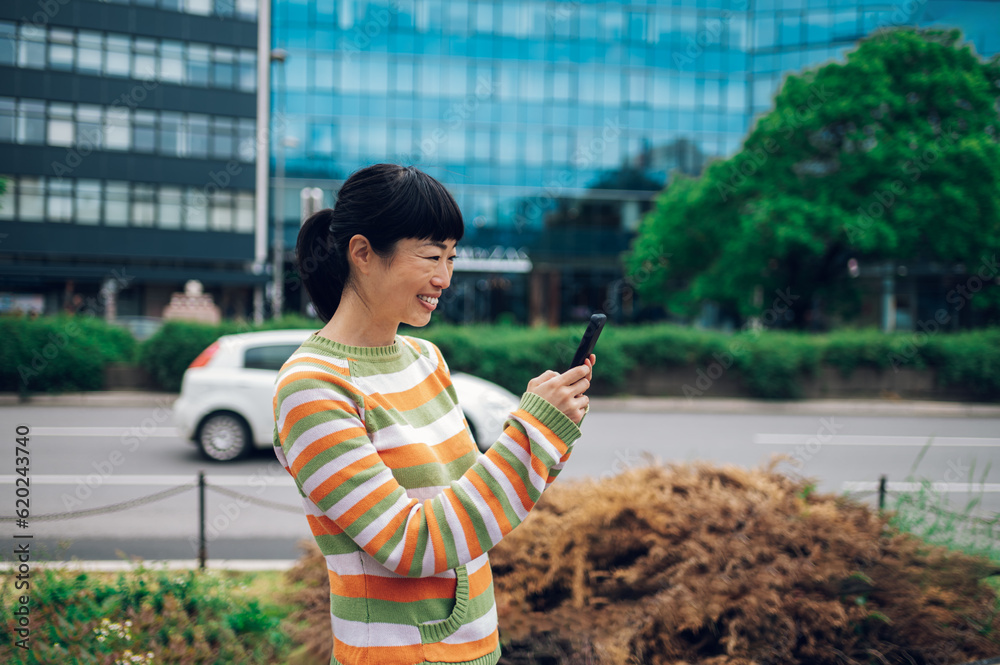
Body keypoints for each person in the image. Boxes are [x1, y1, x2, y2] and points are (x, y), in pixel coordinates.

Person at [272, 163, 596, 665]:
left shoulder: (426, 358)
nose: (444, 277)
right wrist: (530, 431)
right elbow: (410, 543)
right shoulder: (311, 386)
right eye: (430, 256)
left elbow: (473, 505)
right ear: (362, 253)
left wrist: (551, 429)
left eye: (451, 257)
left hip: (478, 648)